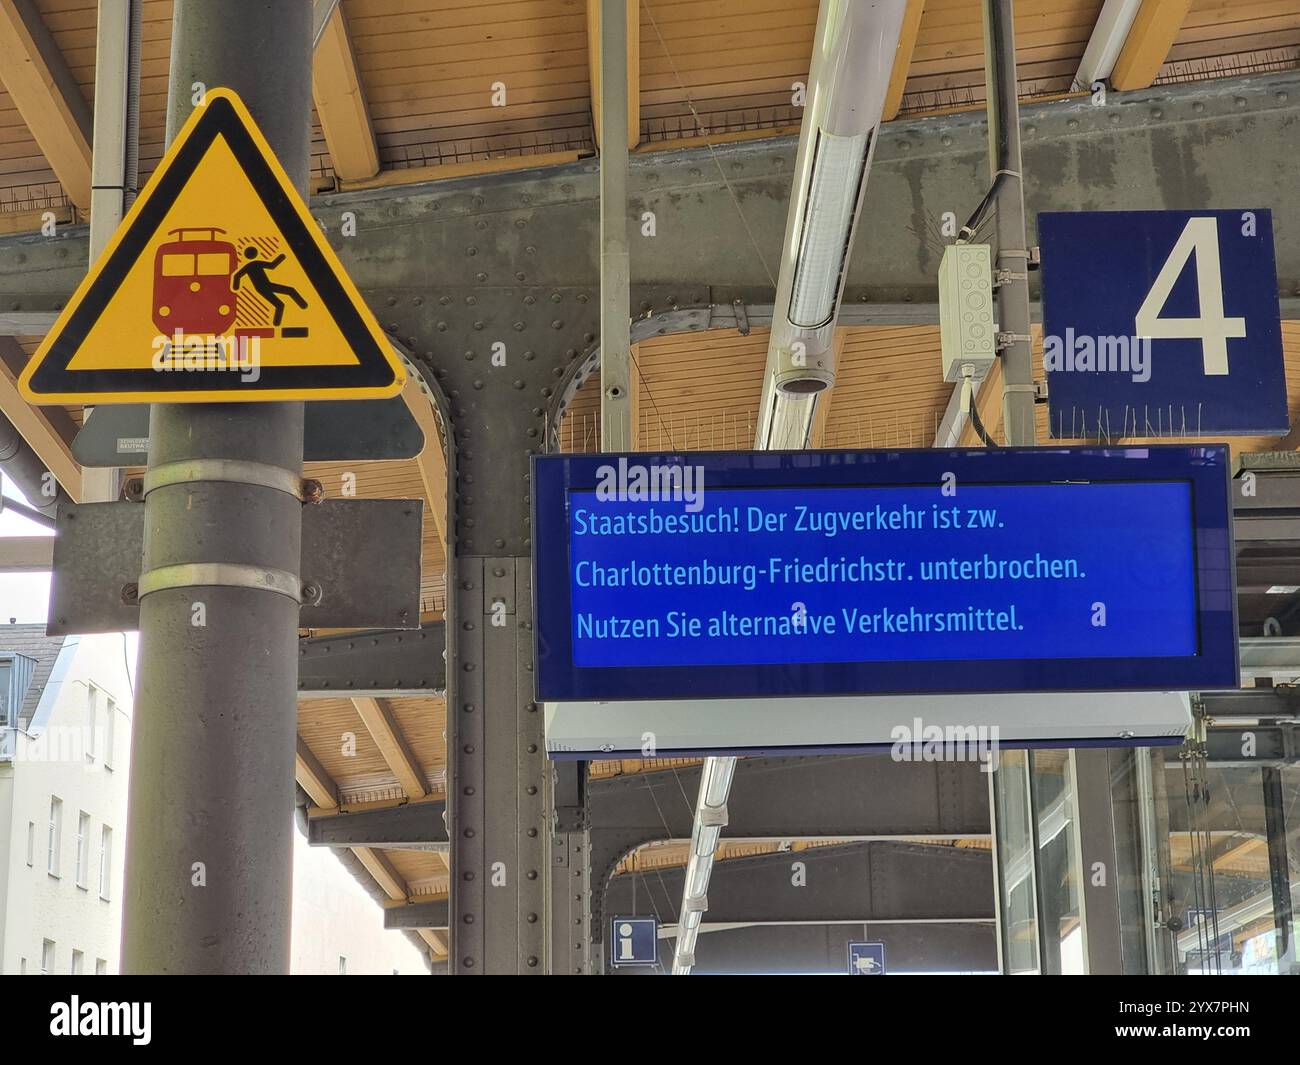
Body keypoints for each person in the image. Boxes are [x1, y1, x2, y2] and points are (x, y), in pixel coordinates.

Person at [232, 245, 306, 326]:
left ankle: (277, 324)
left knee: (280, 304)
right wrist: (281, 257)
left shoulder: (248, 266)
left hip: (260, 288)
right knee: (290, 291)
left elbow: (237, 276)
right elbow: (272, 265)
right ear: (255, 254)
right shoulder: (256, 263)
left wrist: (236, 286)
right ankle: (304, 306)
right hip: (266, 286)